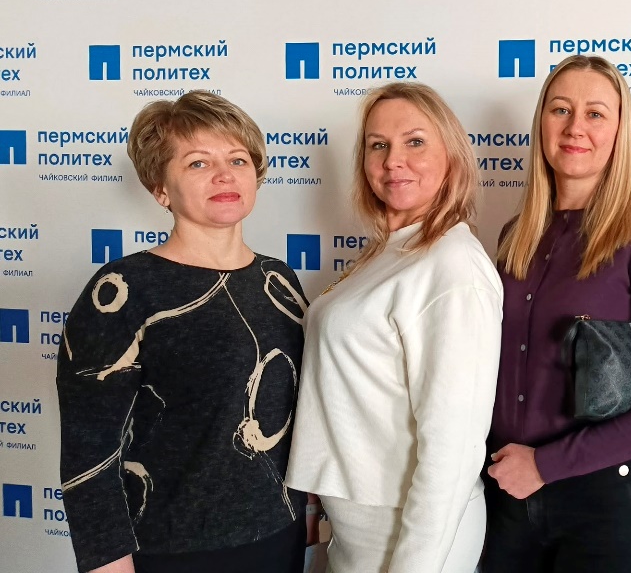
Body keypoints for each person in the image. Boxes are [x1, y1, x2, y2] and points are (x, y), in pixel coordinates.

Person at [57, 91, 311, 573]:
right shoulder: (127, 288)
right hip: (175, 547)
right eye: (198, 163)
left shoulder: (278, 279)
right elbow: (89, 449)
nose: (224, 174)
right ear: (161, 189)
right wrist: (106, 562)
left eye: (237, 159)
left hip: (281, 531)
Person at [481, 55, 631, 573]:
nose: (575, 127)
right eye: (560, 109)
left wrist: (547, 464)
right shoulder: (514, 237)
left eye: (595, 113)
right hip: (508, 495)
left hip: (606, 504)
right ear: (541, 122)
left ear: (620, 131)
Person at [285, 82, 502, 573]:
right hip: (357, 526)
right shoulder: (392, 249)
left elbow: (454, 446)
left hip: (410, 533)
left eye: (415, 142)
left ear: (451, 156)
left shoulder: (452, 266)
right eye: (378, 144)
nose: (392, 161)